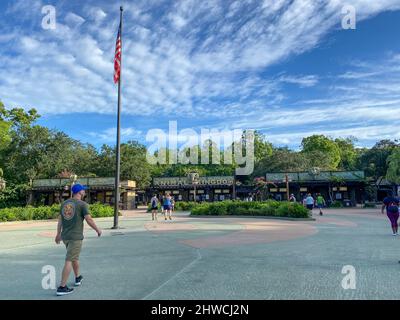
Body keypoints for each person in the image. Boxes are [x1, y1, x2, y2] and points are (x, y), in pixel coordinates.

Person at [55, 184, 102, 296]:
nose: (84, 192)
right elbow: (88, 219)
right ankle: (62, 287)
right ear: (80, 192)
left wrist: (58, 234)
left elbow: (60, 220)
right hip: (75, 237)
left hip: (66, 236)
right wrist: (97, 230)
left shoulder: (65, 204)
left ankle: (77, 277)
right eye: (83, 191)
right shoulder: (82, 204)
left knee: (73, 257)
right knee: (69, 259)